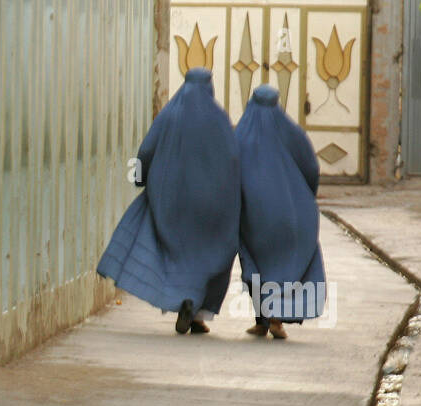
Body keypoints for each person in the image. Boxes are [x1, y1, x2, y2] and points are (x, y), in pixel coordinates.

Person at [97, 68, 239, 335]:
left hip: (171, 201)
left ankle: (182, 298)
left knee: (175, 252)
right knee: (207, 255)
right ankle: (198, 313)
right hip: (211, 205)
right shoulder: (219, 119)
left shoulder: (170, 115)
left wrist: (139, 179)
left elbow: (147, 149)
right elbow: (234, 159)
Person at [234, 85, 325, 340]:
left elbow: (229, 173)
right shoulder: (292, 132)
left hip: (254, 218)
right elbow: (311, 169)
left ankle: (266, 319)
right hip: (293, 214)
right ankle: (273, 320)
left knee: (258, 266)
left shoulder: (241, 135)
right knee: (286, 266)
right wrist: (304, 199)